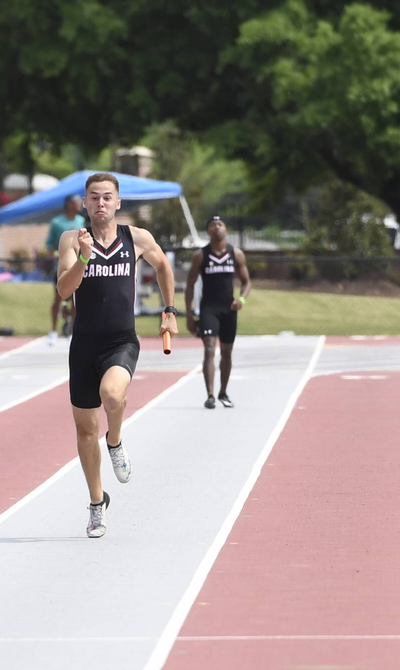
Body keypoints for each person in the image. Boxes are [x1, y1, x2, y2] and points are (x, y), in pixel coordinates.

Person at [56, 173, 177, 538]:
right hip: (84, 345)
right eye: (94, 198)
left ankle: (116, 441)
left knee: (112, 394)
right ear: (85, 203)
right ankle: (97, 504)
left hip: (121, 340)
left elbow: (163, 267)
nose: (101, 204)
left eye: (107, 197)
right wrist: (84, 259)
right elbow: (64, 290)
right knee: (84, 429)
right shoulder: (71, 240)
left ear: (118, 202)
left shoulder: (136, 238)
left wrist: (169, 309)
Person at [185, 215, 251, 408]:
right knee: (208, 348)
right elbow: (189, 286)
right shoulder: (201, 255)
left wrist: (242, 299)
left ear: (226, 229)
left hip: (229, 309)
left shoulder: (235, 254)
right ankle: (210, 395)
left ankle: (223, 392)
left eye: (220, 224)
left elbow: (247, 282)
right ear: (208, 231)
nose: (216, 227)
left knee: (227, 351)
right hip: (209, 308)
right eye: (212, 225)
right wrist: (189, 315)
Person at [46, 194, 86, 344]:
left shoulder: (82, 221)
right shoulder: (57, 222)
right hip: (61, 266)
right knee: (58, 298)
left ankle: (72, 331)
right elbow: (50, 244)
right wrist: (55, 257)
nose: (80, 205)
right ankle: (53, 330)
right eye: (76, 202)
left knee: (76, 301)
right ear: (69, 204)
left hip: (79, 266)